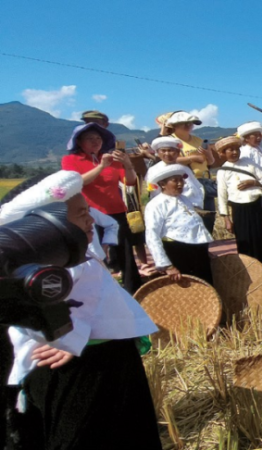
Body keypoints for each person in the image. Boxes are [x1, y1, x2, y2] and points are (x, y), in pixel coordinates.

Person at [0, 171, 161, 450]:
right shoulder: (52, 266)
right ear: (41, 226)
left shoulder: (78, 255)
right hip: (80, 362)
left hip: (104, 354)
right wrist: (69, 341)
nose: (89, 219)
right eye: (79, 214)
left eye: (87, 211)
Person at [60, 122, 142, 293]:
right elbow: (77, 182)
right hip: (89, 215)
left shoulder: (111, 159)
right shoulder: (70, 160)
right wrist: (101, 167)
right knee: (94, 255)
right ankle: (97, 291)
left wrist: (127, 165)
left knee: (125, 254)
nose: (95, 141)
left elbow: (130, 182)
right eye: (90, 138)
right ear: (79, 142)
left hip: (117, 212)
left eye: (98, 138)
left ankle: (133, 290)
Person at [144, 163, 215, 284]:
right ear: (162, 184)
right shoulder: (156, 205)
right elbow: (152, 235)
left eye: (181, 180)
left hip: (196, 251)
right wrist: (167, 265)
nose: (180, 183)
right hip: (176, 250)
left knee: (205, 284)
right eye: (175, 180)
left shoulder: (185, 199)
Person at [216, 136, 262, 269]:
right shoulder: (223, 171)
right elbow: (222, 195)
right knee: (244, 239)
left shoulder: (249, 163)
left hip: (256, 205)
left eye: (236, 149)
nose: (234, 152)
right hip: (239, 209)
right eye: (230, 150)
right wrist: (226, 219)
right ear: (223, 153)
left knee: (260, 237)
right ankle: (249, 268)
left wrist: (253, 182)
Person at [165, 111, 217, 233]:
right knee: (191, 218)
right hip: (186, 183)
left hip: (204, 181)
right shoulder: (170, 141)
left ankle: (205, 248)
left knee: (208, 217)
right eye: (184, 123)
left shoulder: (198, 140)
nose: (188, 126)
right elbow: (168, 159)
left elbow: (210, 163)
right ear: (175, 126)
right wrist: (192, 158)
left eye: (190, 123)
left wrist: (208, 155)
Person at [148, 137, 205, 208]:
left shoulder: (184, 169)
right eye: (163, 151)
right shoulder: (153, 170)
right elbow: (153, 192)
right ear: (158, 153)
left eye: (170, 150)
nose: (167, 154)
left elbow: (196, 187)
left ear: (178, 152)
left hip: (190, 206)